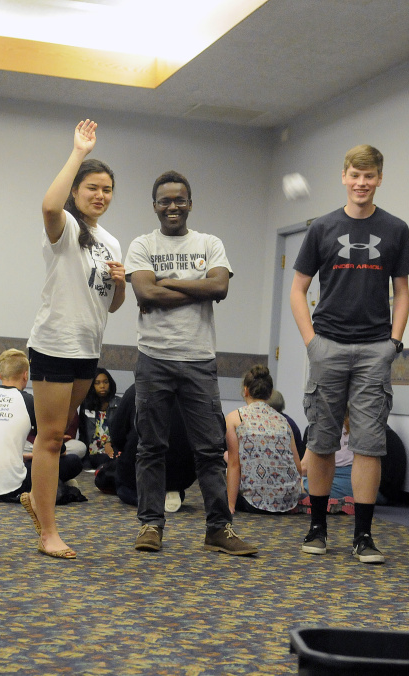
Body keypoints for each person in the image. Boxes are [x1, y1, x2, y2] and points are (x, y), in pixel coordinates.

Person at [124, 170, 256, 556]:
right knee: (151, 447)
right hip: (154, 358)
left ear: (190, 203)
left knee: (211, 449)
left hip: (199, 360)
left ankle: (219, 529)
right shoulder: (142, 244)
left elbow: (219, 287)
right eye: (165, 201)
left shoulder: (210, 243)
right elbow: (145, 290)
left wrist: (166, 284)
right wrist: (191, 287)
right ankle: (150, 526)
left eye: (179, 200)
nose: (173, 207)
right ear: (155, 206)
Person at [291, 144, 409, 564]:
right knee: (322, 441)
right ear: (344, 176)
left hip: (375, 348)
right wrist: (311, 342)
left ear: (379, 178)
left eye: (370, 175)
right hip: (328, 346)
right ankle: (318, 528)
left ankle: (363, 536)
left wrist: (393, 342)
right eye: (355, 175)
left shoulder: (396, 229)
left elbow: (402, 292)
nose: (362, 183)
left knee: (369, 444)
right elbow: (299, 290)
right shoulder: (322, 227)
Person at [20, 119, 125, 559]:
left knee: (60, 434)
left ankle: (35, 501)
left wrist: (121, 283)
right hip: (55, 343)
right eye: (92, 188)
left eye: (106, 189)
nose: (99, 195)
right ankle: (48, 532)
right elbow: (47, 204)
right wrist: (78, 152)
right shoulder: (63, 226)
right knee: (48, 439)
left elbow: (111, 304)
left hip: (87, 349)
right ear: (77, 192)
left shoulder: (111, 242)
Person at [0, 349, 82, 503]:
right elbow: (55, 443)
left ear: (0, 375)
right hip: (10, 487)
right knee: (73, 462)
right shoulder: (27, 401)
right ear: (26, 375)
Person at [225, 365, 303, 514]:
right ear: (270, 393)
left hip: (253, 502)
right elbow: (297, 467)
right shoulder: (284, 421)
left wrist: (230, 505)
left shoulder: (234, 418)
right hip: (288, 502)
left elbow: (234, 464)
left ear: (245, 390)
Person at [77, 367, 119, 468]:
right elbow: (83, 433)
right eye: (97, 383)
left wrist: (111, 444)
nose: (102, 386)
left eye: (105, 382)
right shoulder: (86, 405)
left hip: (111, 451)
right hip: (92, 453)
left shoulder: (118, 404)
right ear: (92, 385)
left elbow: (122, 431)